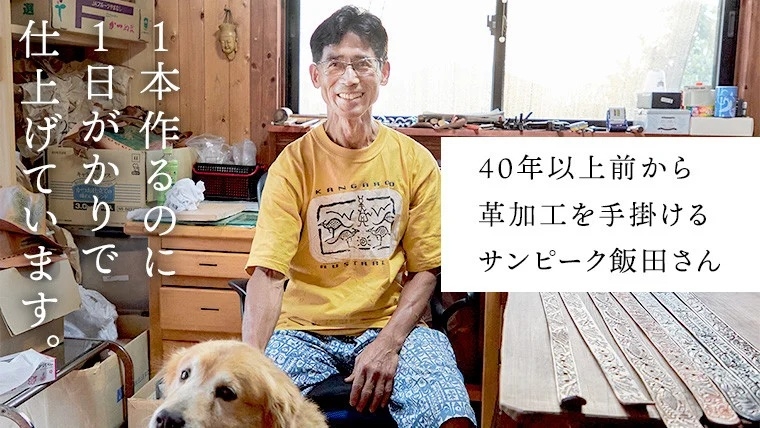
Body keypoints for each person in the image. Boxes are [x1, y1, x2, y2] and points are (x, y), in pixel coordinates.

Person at [243, 5, 476, 428]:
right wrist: (249, 361)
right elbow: (269, 273)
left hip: (392, 324)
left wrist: (388, 343)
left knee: (450, 416)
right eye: (335, 64)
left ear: (383, 72)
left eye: (362, 64)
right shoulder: (292, 166)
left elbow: (426, 270)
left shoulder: (416, 162)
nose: (349, 78)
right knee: (260, 413)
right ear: (316, 76)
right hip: (302, 331)